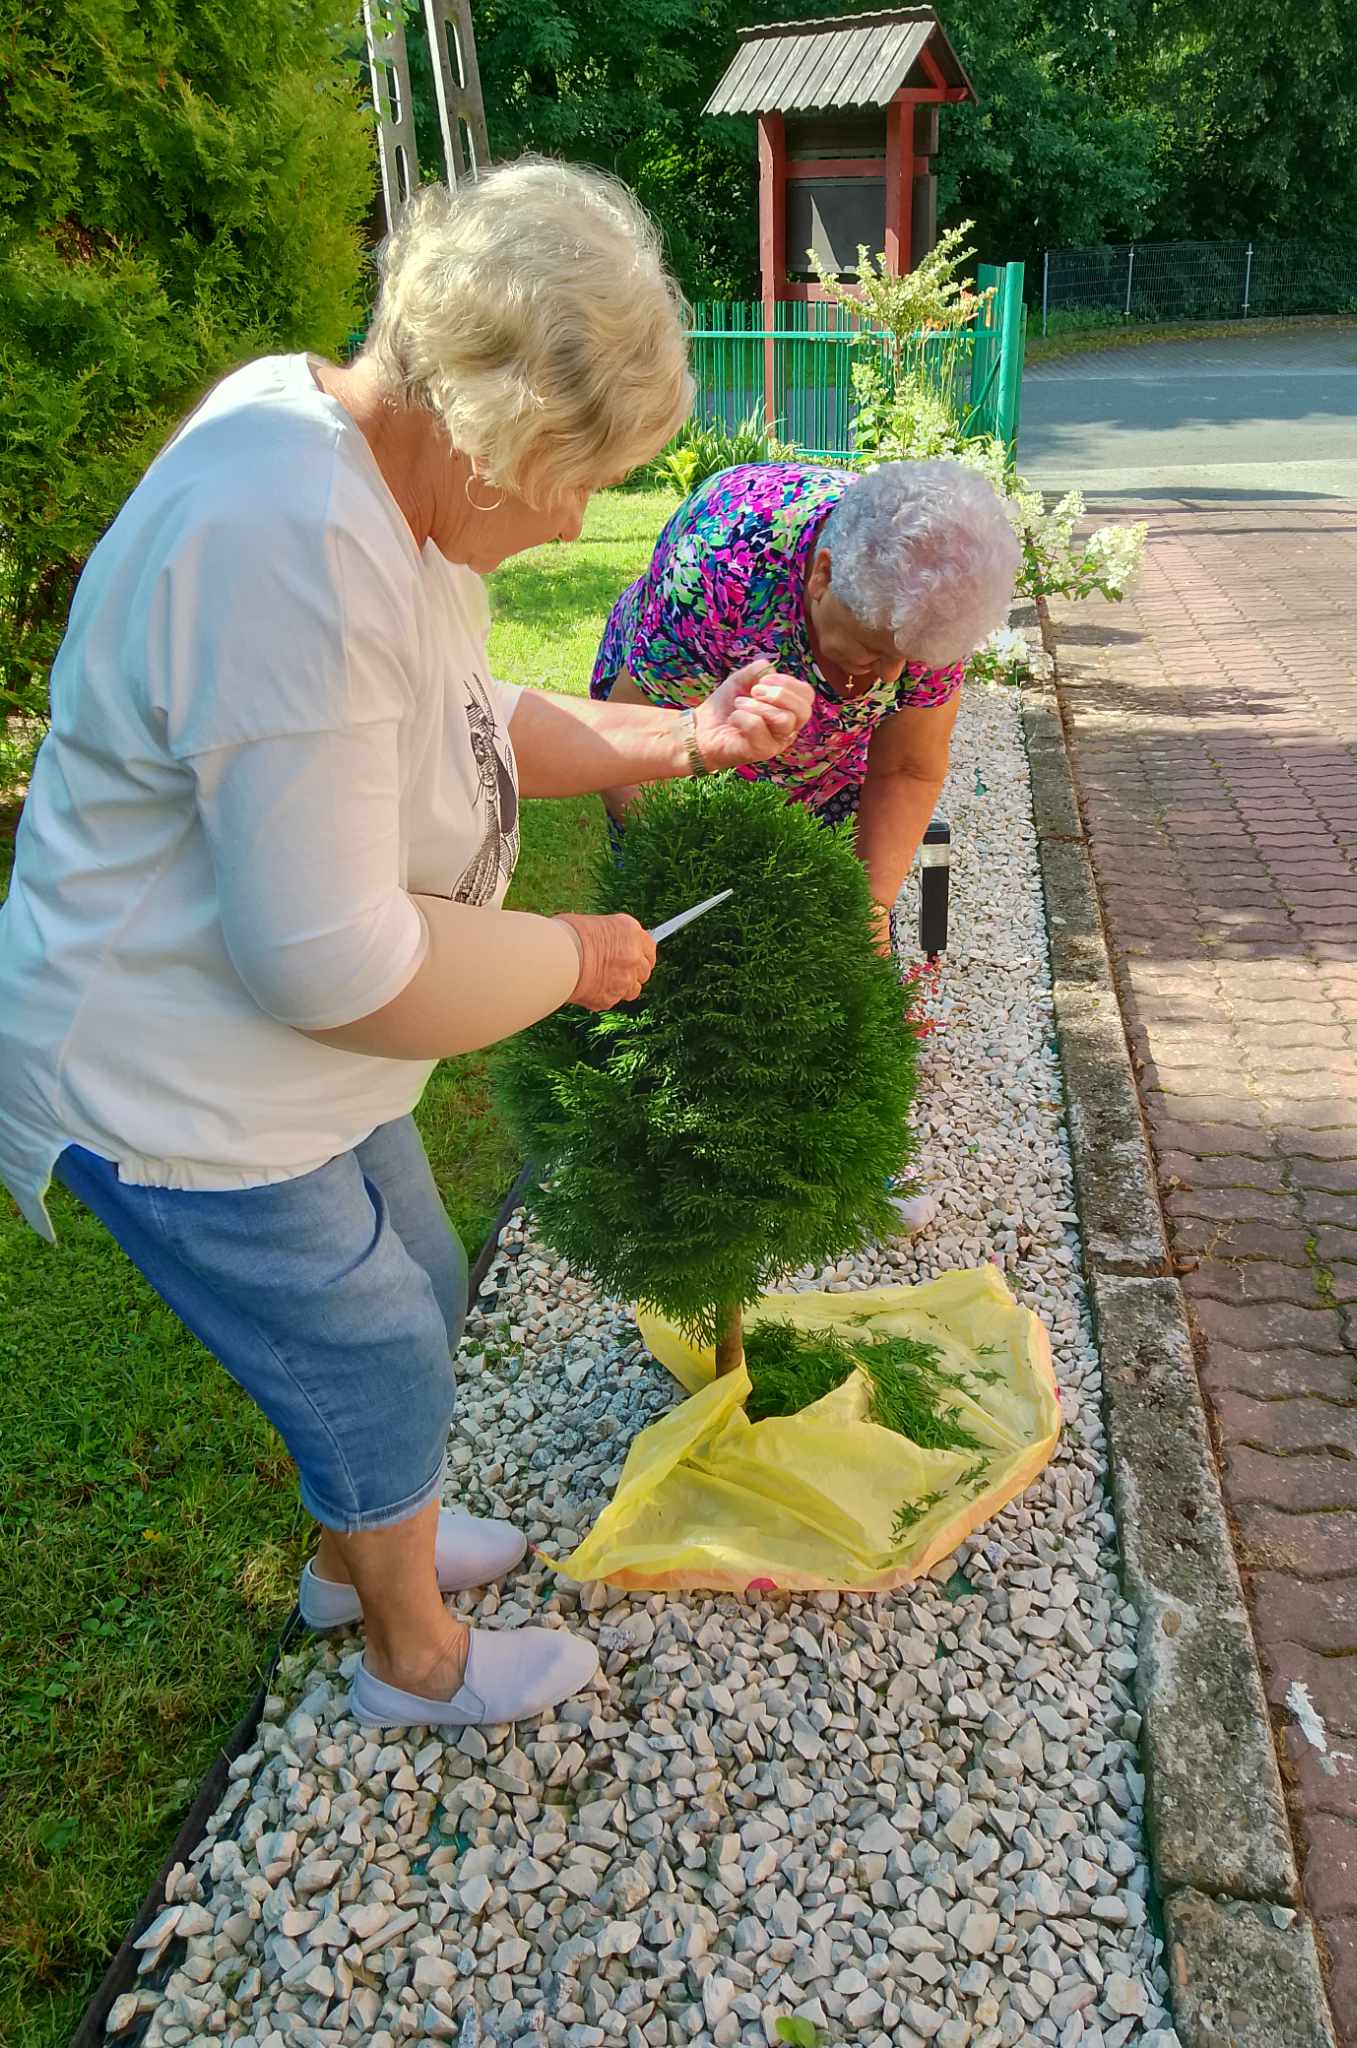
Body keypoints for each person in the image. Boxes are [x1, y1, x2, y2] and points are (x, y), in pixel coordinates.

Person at [0, 160, 814, 1731]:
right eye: (577, 478)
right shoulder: (285, 541)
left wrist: (682, 742)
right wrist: (572, 958)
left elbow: (467, 719)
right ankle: (409, 1655)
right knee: (370, 1350)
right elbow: (332, 963)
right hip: (169, 1070)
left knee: (421, 1282)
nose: (583, 516)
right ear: (492, 425)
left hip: (270, 1050)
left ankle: (360, 1554)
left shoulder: (361, 459)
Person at [591, 457, 1020, 949]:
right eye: (874, 650)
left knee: (831, 932)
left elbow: (907, 767)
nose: (892, 677)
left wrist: (870, 908)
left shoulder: (936, 596)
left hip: (829, 766)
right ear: (823, 575)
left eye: (910, 659)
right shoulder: (723, 567)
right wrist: (707, 881)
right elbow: (631, 759)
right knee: (677, 942)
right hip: (678, 728)